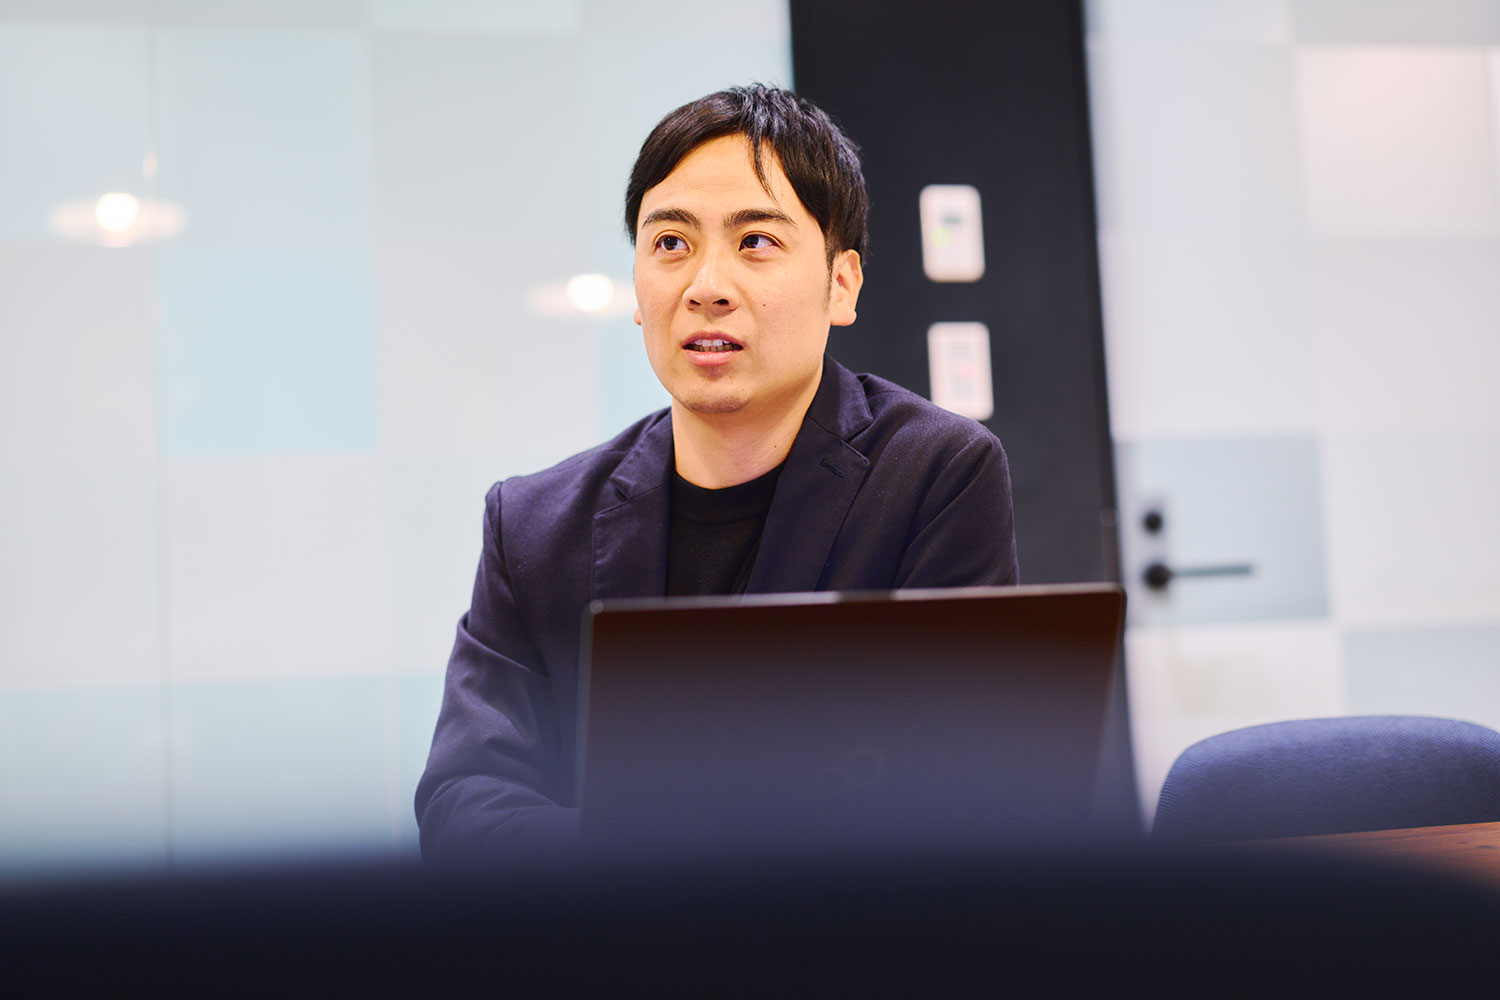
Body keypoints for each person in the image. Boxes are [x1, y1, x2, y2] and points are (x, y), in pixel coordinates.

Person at [415, 84, 1018, 864]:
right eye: (670, 243)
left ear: (841, 284)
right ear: (638, 288)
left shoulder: (934, 476)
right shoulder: (532, 524)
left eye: (756, 241)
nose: (706, 286)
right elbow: (465, 806)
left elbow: (962, 793)